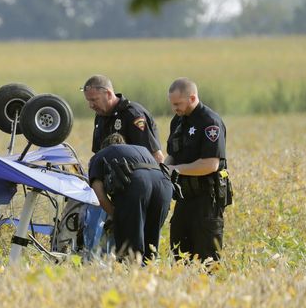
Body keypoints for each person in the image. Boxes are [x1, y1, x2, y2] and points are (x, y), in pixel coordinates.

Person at [164, 77, 231, 262]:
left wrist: (174, 170)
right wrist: (162, 169)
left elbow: (210, 165)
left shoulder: (210, 123)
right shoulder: (177, 121)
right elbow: (173, 154)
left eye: (178, 104)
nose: (175, 108)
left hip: (206, 201)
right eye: (172, 104)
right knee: (179, 256)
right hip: (184, 198)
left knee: (208, 259)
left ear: (192, 98)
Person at [88, 133, 173, 262]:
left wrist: (116, 215)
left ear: (103, 147)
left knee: (130, 252)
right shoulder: (142, 150)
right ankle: (150, 276)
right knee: (150, 248)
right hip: (164, 186)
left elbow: (98, 194)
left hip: (138, 185)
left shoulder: (100, 155)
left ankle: (131, 277)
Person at [81, 75, 165, 163]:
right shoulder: (100, 116)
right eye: (88, 100)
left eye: (94, 100)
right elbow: (98, 155)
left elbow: (156, 157)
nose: (90, 105)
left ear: (108, 94)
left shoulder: (133, 115)